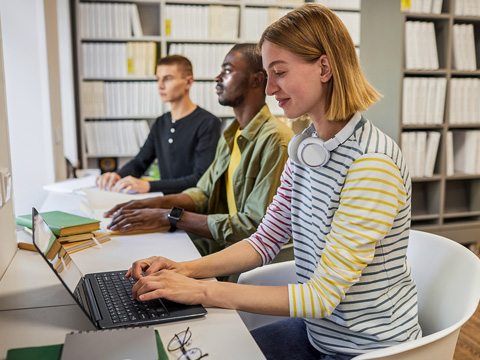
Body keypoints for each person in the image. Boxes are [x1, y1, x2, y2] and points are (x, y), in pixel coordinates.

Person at [122, 4, 422, 359]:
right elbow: (264, 240)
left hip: (367, 350)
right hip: (318, 334)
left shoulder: (372, 166)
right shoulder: (306, 148)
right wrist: (183, 269)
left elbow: (321, 296)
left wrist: (200, 290)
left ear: (324, 67)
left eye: (279, 72)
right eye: (267, 74)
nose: (269, 89)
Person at [105, 44, 295, 256]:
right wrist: (151, 204)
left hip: (247, 259)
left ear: (257, 80)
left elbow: (252, 226)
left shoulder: (276, 141)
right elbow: (203, 192)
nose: (217, 77)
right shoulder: (231, 135)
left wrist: (168, 216)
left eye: (228, 70)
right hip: (222, 244)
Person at [96, 55, 221, 195]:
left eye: (167, 78)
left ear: (188, 82)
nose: (160, 85)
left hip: (194, 206)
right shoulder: (161, 122)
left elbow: (200, 178)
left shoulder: (208, 123)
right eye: (158, 79)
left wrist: (148, 186)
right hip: (165, 202)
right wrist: (117, 176)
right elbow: (139, 163)